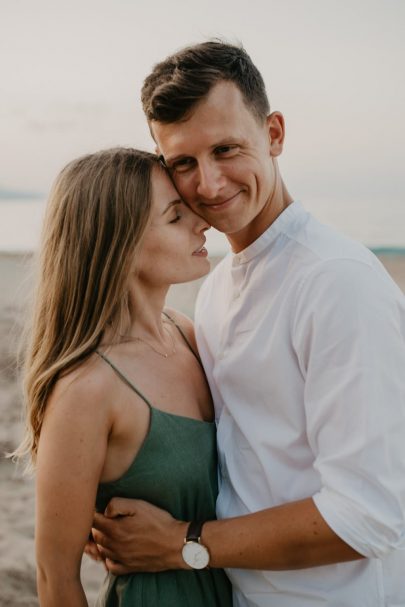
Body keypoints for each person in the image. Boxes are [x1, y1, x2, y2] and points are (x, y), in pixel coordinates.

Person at [89, 42, 405, 606]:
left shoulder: (337, 282)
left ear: (275, 134)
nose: (208, 185)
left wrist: (181, 543)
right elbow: (243, 463)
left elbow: (370, 517)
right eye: (183, 163)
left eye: (226, 149)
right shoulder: (216, 289)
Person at [13, 147, 233, 606]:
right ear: (120, 243)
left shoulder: (187, 335)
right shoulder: (87, 389)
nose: (201, 221)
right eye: (175, 216)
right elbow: (56, 578)